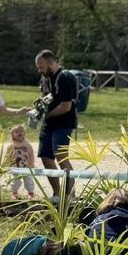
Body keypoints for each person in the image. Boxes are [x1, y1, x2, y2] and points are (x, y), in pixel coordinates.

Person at [34, 50, 77, 202]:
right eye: (38, 68)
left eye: (42, 67)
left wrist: (46, 115)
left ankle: (70, 195)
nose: (40, 70)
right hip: (48, 124)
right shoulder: (45, 78)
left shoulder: (65, 77)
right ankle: (57, 194)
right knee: (45, 157)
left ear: (51, 63)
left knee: (61, 157)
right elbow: (45, 98)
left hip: (63, 124)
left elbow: (66, 106)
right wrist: (37, 110)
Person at [7, 124, 36, 198]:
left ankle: (30, 192)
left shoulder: (27, 144)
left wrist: (31, 164)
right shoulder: (11, 145)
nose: (19, 133)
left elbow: (31, 155)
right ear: (12, 135)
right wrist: (8, 164)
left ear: (24, 133)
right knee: (15, 181)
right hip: (15, 166)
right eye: (16, 132)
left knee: (28, 180)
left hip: (26, 166)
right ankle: (14, 193)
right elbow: (8, 156)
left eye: (21, 131)